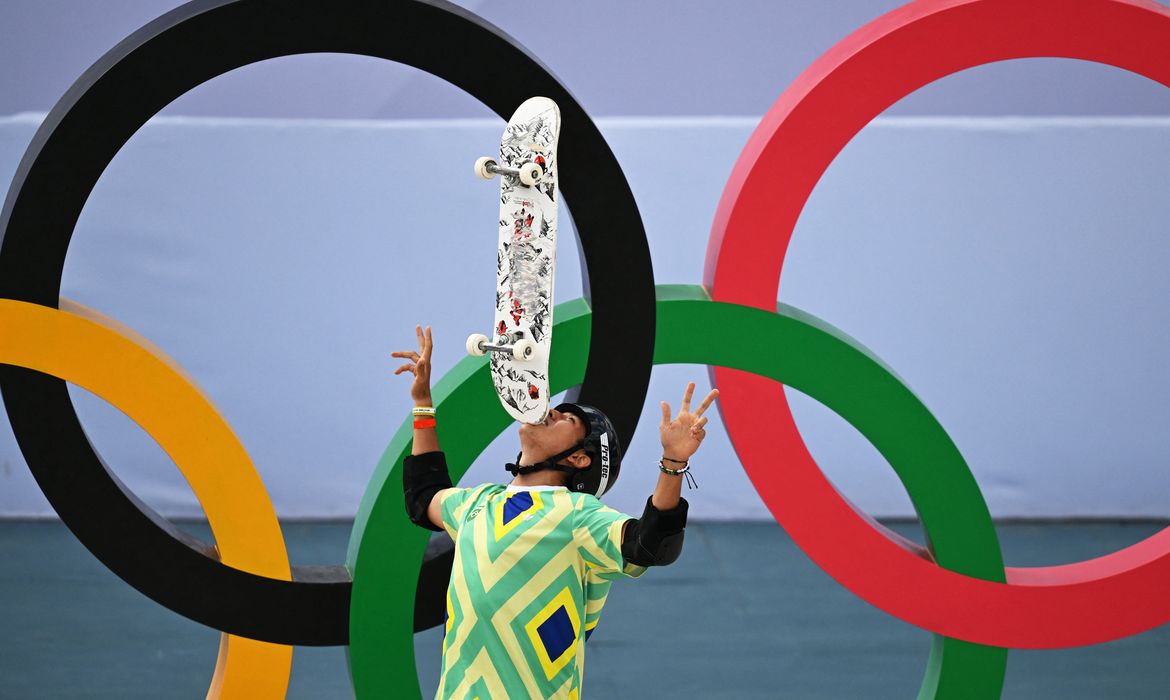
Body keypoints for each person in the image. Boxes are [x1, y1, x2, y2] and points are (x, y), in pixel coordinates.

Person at [393, 324, 718, 699]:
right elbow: (423, 496)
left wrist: (673, 461)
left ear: (579, 458)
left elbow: (652, 544)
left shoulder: (578, 515)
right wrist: (422, 405)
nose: (551, 411)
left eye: (568, 419)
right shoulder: (476, 504)